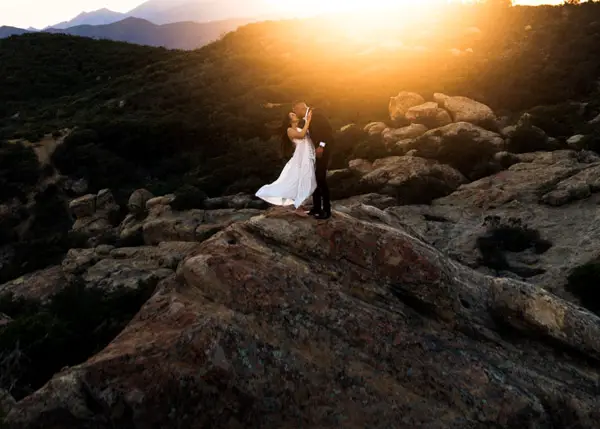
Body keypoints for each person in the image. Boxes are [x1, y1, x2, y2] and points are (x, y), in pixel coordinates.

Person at [255, 110, 317, 215]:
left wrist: (307, 120)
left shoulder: (298, 128)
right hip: (300, 159)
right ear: (289, 120)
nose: (295, 114)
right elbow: (301, 135)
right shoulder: (289, 130)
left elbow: (307, 137)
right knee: (303, 179)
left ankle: (300, 205)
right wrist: (308, 122)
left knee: (306, 180)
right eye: (292, 115)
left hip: (306, 157)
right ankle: (298, 207)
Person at [293, 101, 334, 219]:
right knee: (314, 178)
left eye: (295, 111)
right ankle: (316, 208)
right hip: (314, 151)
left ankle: (327, 210)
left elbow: (327, 131)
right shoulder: (307, 118)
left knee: (321, 178)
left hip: (323, 149)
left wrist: (321, 146)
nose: (295, 113)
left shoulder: (316, 114)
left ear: (300, 108)